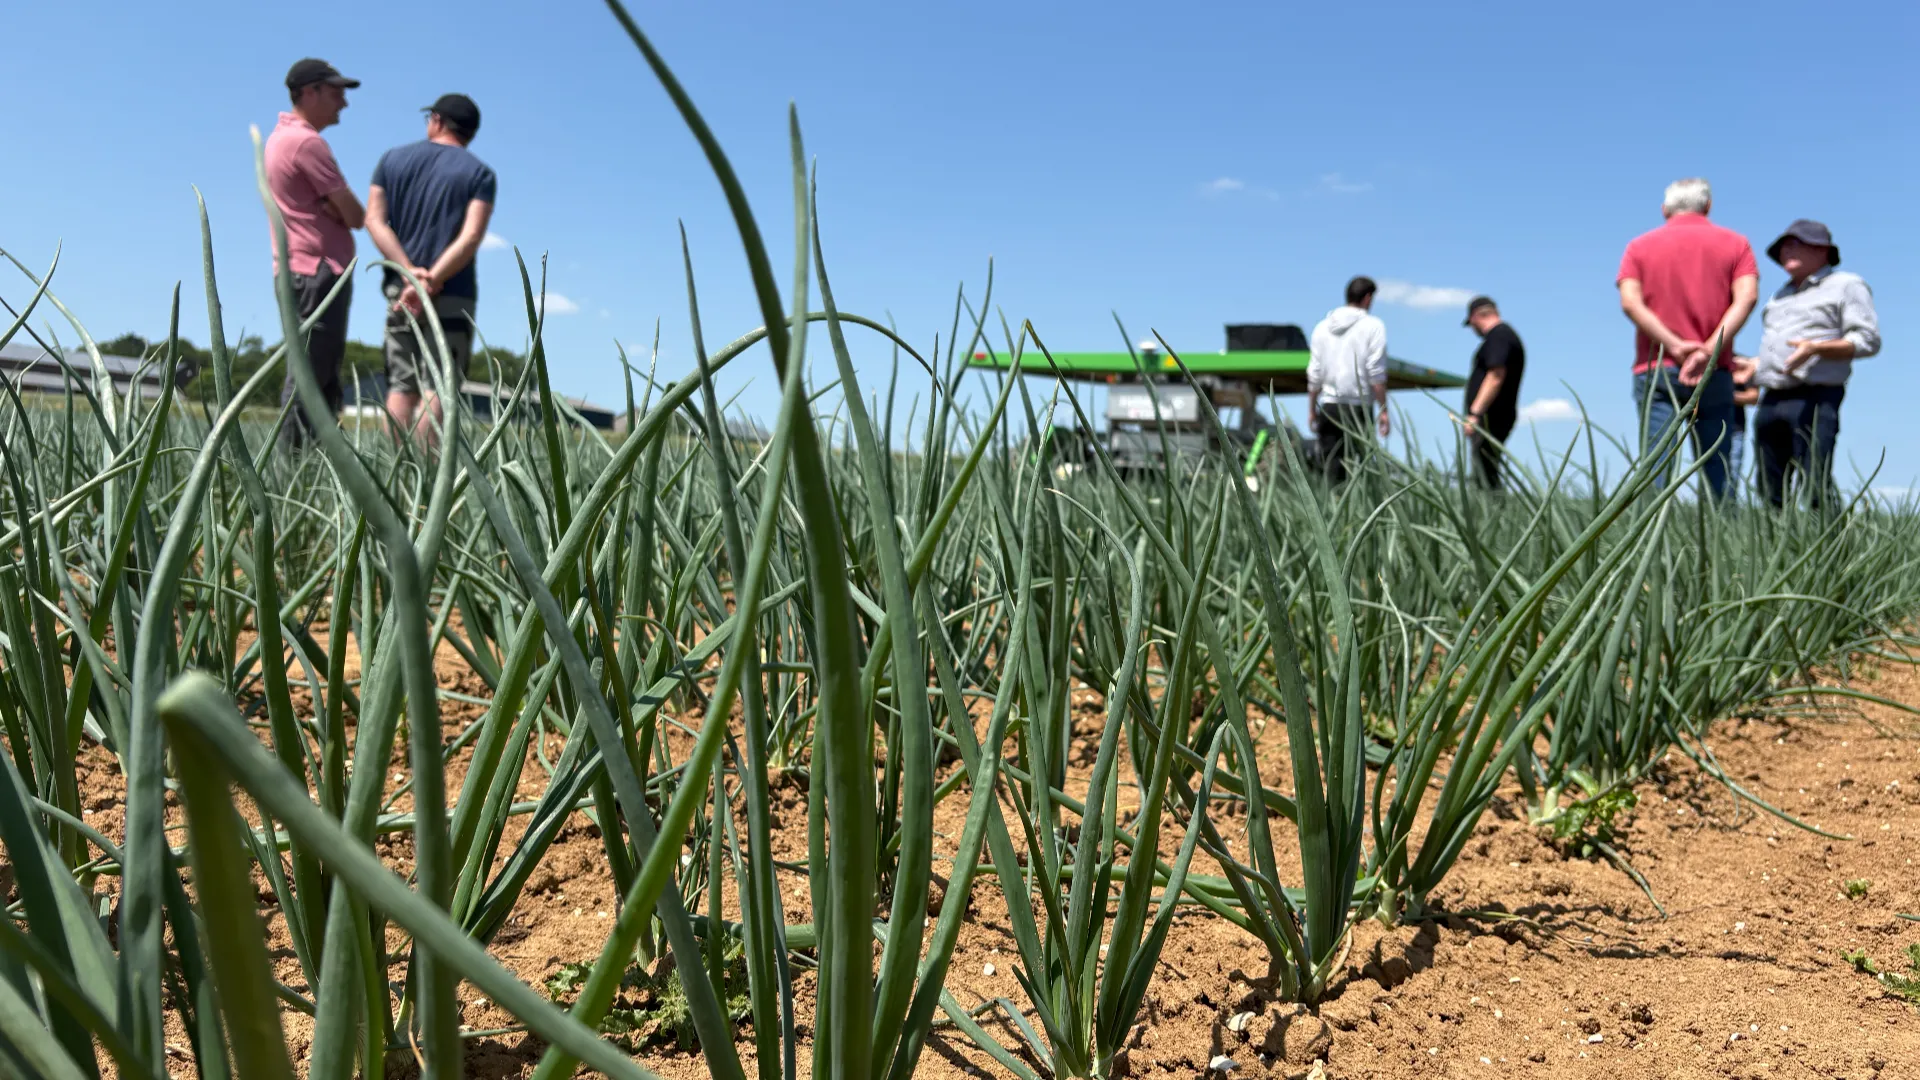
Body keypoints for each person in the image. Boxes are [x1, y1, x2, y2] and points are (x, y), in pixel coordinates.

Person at [365, 93, 497, 443]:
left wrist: (411, 274)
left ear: (437, 120)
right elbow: (470, 237)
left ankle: (395, 478)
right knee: (440, 383)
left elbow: (374, 221)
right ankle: (429, 482)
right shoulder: (480, 173)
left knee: (401, 382)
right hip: (453, 290)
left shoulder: (391, 161)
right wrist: (432, 278)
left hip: (401, 290)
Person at [1616, 177, 1758, 498]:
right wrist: (1708, 350)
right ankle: (1722, 540)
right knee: (1717, 470)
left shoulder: (1638, 247)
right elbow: (1746, 298)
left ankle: (1649, 540)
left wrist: (1676, 345)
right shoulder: (1736, 244)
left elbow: (1630, 302)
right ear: (1708, 206)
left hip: (1656, 368)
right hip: (1715, 369)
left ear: (1664, 209)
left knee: (1655, 466)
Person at [1744, 219, 1879, 510]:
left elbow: (1868, 340)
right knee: (1769, 485)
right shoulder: (1779, 295)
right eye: (1783, 247)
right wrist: (1755, 367)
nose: (1786, 251)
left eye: (1796, 243)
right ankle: (1773, 549)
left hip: (1815, 396)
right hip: (1772, 396)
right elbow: (1777, 347)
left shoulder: (1846, 286)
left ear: (1822, 250)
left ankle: (1831, 550)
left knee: (1814, 480)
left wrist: (1816, 349)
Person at [264, 58, 365, 448]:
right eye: (336, 92)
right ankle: (294, 471)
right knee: (310, 375)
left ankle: (310, 466)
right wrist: (339, 210)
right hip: (317, 271)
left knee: (316, 374)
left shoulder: (282, 138)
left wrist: (334, 209)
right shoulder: (307, 143)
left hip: (302, 271)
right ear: (309, 92)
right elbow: (356, 215)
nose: (343, 102)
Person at [1307, 276, 1389, 485]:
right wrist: (1383, 411)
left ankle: (1330, 513)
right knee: (1361, 470)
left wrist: (1311, 409)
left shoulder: (1321, 328)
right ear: (1368, 298)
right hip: (1359, 408)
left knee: (1330, 469)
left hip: (1329, 407)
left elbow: (1315, 373)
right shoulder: (1373, 326)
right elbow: (1376, 373)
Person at [1459, 296, 1525, 490]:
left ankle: (1493, 514)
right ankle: (1493, 514)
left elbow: (1495, 375)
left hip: (1491, 418)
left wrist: (1475, 413)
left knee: (1485, 474)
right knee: (1486, 470)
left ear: (1475, 317)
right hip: (1491, 417)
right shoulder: (1503, 336)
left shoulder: (1499, 336)